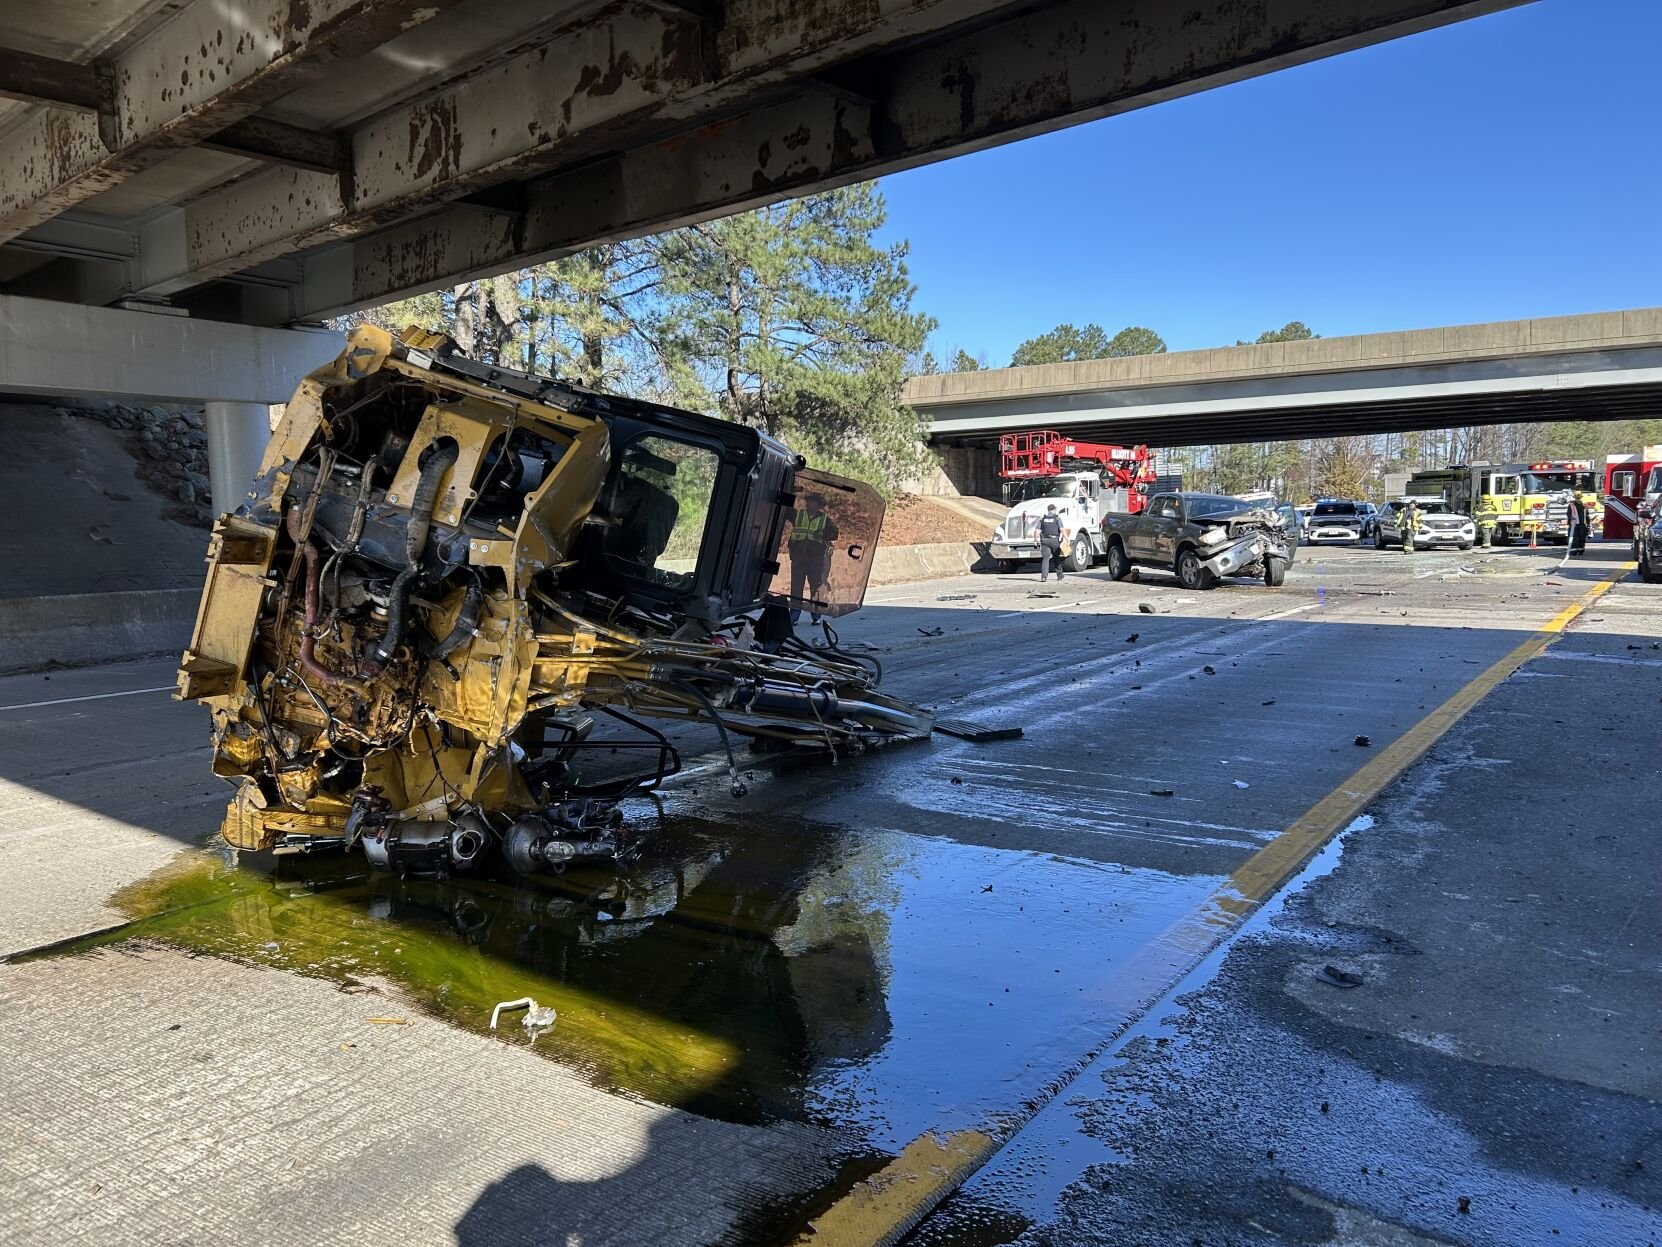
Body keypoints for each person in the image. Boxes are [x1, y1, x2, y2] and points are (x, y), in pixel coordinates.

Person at [788, 493, 838, 623]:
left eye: (814, 502)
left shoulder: (825, 519)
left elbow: (834, 534)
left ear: (819, 505)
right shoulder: (798, 514)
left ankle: (816, 615)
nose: (810, 504)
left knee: (816, 586)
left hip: (816, 559)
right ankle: (794, 614)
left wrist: (824, 534)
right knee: (796, 586)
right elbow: (785, 511)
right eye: (809, 501)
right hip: (798, 557)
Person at [1038, 502, 1065, 581]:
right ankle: (1059, 575)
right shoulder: (1057, 518)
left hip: (1045, 540)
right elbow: (1062, 529)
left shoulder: (1042, 518)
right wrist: (1066, 538)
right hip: (1054, 541)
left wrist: (1035, 539)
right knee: (1056, 558)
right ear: (1053, 510)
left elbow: (1037, 530)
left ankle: (1044, 576)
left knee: (1045, 558)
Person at [1567, 491, 1589, 556]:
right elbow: (1568, 514)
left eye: (1579, 497)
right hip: (1574, 524)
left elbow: (1587, 515)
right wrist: (1571, 519)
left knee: (1582, 538)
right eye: (1577, 497)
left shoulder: (1584, 505)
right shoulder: (1571, 505)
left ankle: (1580, 550)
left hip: (1582, 524)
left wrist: (1589, 523)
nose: (1578, 499)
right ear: (1575, 498)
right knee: (1573, 538)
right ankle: (1573, 551)